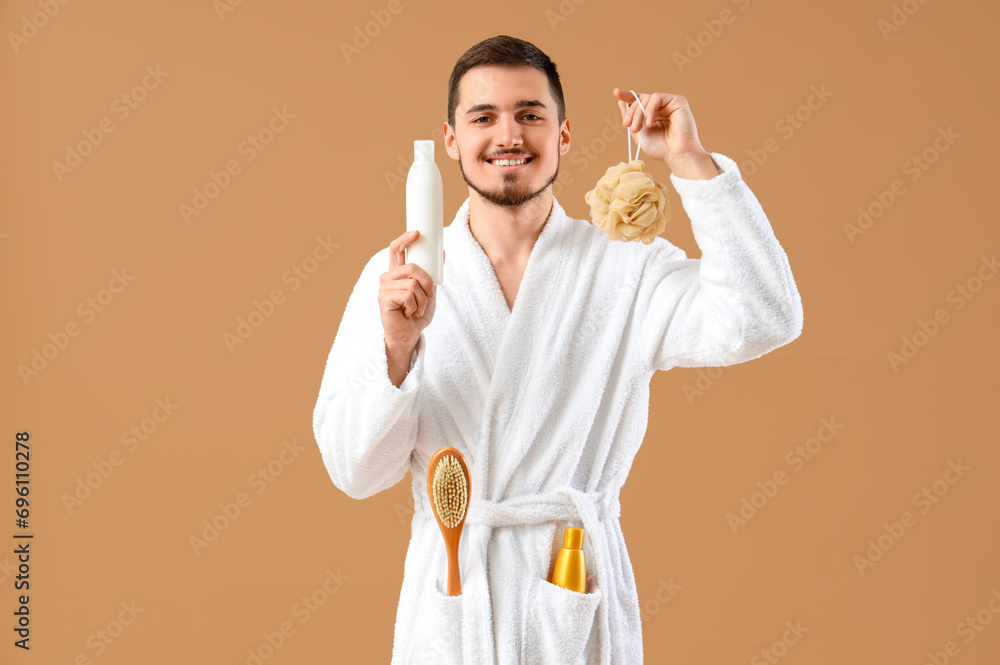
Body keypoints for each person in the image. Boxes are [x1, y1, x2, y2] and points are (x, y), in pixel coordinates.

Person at [312, 34, 803, 665]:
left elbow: (763, 316)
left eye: (530, 114)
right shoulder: (400, 280)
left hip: (573, 594)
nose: (508, 135)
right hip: (455, 597)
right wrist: (398, 350)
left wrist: (690, 162)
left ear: (563, 135)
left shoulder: (624, 268)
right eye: (483, 117)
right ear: (451, 140)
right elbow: (355, 472)